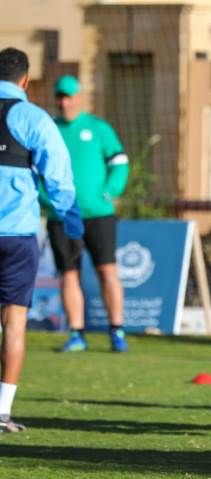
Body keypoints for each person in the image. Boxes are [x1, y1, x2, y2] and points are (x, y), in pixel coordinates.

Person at [0, 48, 83, 432]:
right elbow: (59, 178)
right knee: (14, 322)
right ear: (25, 80)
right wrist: (73, 226)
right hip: (17, 235)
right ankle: (2, 412)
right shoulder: (33, 117)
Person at [40, 74, 129, 353]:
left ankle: (116, 331)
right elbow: (35, 171)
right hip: (62, 217)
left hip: (98, 214)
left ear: (79, 98)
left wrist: (110, 191)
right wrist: (48, 200)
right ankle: (76, 333)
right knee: (68, 274)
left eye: (69, 97)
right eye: (60, 97)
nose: (64, 103)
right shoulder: (48, 130)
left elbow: (120, 162)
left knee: (107, 270)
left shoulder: (98, 128)